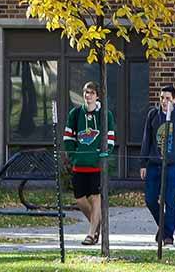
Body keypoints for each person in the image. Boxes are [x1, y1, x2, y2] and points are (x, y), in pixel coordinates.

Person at [63, 81, 116, 245]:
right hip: (79, 164)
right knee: (80, 200)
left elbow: (110, 138)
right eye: (86, 92)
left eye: (92, 93)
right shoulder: (75, 113)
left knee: (95, 198)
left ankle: (91, 234)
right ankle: (97, 223)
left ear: (97, 96)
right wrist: (73, 156)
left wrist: (102, 156)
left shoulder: (105, 115)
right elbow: (68, 138)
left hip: (96, 165)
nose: (88, 96)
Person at [139, 85, 175, 246]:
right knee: (150, 199)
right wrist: (143, 163)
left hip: (172, 164)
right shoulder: (153, 115)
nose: (164, 101)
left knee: (169, 200)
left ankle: (168, 235)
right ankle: (163, 227)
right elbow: (146, 139)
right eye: (162, 98)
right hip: (154, 164)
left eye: (168, 98)